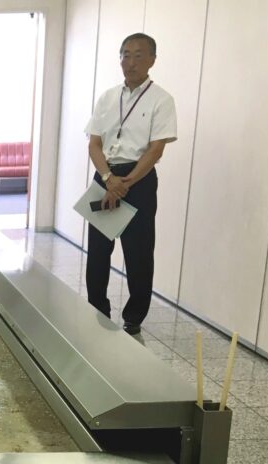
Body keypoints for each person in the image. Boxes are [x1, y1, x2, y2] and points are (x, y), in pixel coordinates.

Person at [85, 32, 177, 335]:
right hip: (106, 175)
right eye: (125, 54)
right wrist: (109, 179)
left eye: (139, 55)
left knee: (137, 253)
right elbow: (94, 144)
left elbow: (156, 149)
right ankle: (97, 309)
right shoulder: (108, 97)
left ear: (152, 59)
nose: (131, 61)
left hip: (138, 180)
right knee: (98, 250)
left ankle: (134, 317)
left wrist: (125, 182)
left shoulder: (161, 99)